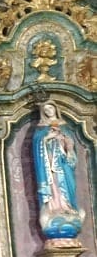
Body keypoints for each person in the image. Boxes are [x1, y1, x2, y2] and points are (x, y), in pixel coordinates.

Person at [32, 101, 84, 240]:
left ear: (56, 109)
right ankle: (55, 208)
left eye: (51, 107)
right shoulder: (41, 128)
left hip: (63, 163)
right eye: (46, 109)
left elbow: (71, 146)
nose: (49, 110)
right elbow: (37, 143)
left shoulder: (64, 126)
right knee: (53, 185)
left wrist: (65, 141)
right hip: (49, 165)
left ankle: (67, 206)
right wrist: (47, 138)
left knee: (67, 185)